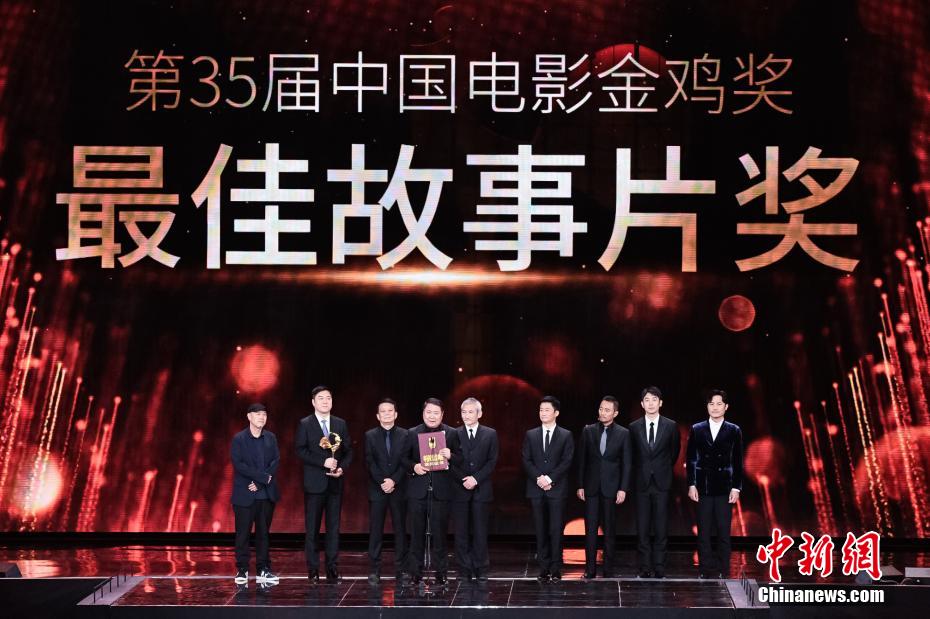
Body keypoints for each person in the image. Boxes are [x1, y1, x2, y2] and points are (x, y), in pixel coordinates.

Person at [296, 385, 354, 582]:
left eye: (328, 398)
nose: (325, 401)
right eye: (321, 398)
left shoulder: (340, 423)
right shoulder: (305, 424)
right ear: (313, 402)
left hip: (335, 483)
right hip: (314, 484)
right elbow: (300, 450)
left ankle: (332, 568)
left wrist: (341, 468)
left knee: (333, 529)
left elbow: (348, 451)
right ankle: (313, 569)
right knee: (312, 529)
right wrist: (323, 462)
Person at [686, 389, 744, 579]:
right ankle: (704, 569)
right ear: (707, 406)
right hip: (702, 487)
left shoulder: (734, 430)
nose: (715, 407)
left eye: (719, 404)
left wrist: (736, 487)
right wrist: (691, 484)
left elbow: (738, 461)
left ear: (726, 407)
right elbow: (691, 459)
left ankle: (722, 570)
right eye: (711, 404)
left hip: (724, 488)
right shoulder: (697, 429)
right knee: (703, 531)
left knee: (723, 532)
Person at [403, 397, 458, 585]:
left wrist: (451, 456)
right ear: (423, 413)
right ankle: (415, 573)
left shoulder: (452, 433)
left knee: (440, 536)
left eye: (436, 413)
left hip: (441, 492)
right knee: (416, 535)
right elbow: (403, 459)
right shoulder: (412, 433)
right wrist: (414, 467)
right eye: (429, 412)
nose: (432, 416)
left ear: (442, 414)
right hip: (418, 492)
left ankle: (441, 573)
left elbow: (461, 459)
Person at [576, 396, 632, 579]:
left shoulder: (623, 433)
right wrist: (580, 485)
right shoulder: (588, 430)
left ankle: (608, 569)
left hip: (612, 487)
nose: (603, 412)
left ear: (615, 413)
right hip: (591, 487)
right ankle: (590, 569)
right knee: (590, 530)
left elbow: (627, 464)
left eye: (607, 410)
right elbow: (582, 460)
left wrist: (623, 488)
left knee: (609, 530)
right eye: (601, 409)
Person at [629, 386, 680, 578]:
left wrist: (661, 468)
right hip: (641, 483)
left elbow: (674, 452)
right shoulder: (634, 427)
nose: (650, 403)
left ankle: (659, 567)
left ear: (661, 403)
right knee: (642, 528)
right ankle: (644, 568)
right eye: (647, 400)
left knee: (661, 528)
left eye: (654, 400)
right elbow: (631, 455)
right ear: (642, 404)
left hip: (662, 482)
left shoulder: (671, 426)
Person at [521, 395, 574, 582]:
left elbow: (567, 461)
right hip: (536, 489)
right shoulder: (531, 434)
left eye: (547, 410)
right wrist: (539, 478)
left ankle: (556, 568)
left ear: (556, 413)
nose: (543, 413)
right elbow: (526, 459)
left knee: (556, 529)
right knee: (541, 529)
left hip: (556, 489)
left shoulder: (566, 435)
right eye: (541, 410)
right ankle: (543, 568)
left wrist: (550, 479)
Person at [230, 403, 281, 585]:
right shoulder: (239, 439)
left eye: (264, 414)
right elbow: (239, 464)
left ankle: (263, 569)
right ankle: (242, 569)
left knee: (263, 534)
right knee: (242, 534)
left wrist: (259, 483)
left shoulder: (271, 438)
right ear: (249, 416)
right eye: (258, 414)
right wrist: (261, 478)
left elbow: (275, 461)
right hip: (245, 493)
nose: (262, 417)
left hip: (265, 493)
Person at [450, 397, 499, 582]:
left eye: (471, 412)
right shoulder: (454, 433)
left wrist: (476, 479)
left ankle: (480, 566)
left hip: (481, 488)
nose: (467, 415)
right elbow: (450, 462)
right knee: (461, 530)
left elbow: (492, 461)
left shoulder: (490, 434)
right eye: (464, 412)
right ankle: (464, 567)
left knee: (480, 529)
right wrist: (463, 479)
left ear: (480, 414)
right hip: (459, 487)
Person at [364, 397, 410, 584]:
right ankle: (374, 570)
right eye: (383, 411)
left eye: (390, 411)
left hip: (399, 489)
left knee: (400, 530)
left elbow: (405, 461)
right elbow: (370, 462)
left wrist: (394, 480)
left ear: (396, 414)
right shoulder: (370, 435)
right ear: (378, 416)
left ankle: (402, 569)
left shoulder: (406, 435)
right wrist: (383, 481)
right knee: (376, 531)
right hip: (378, 489)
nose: (387, 414)